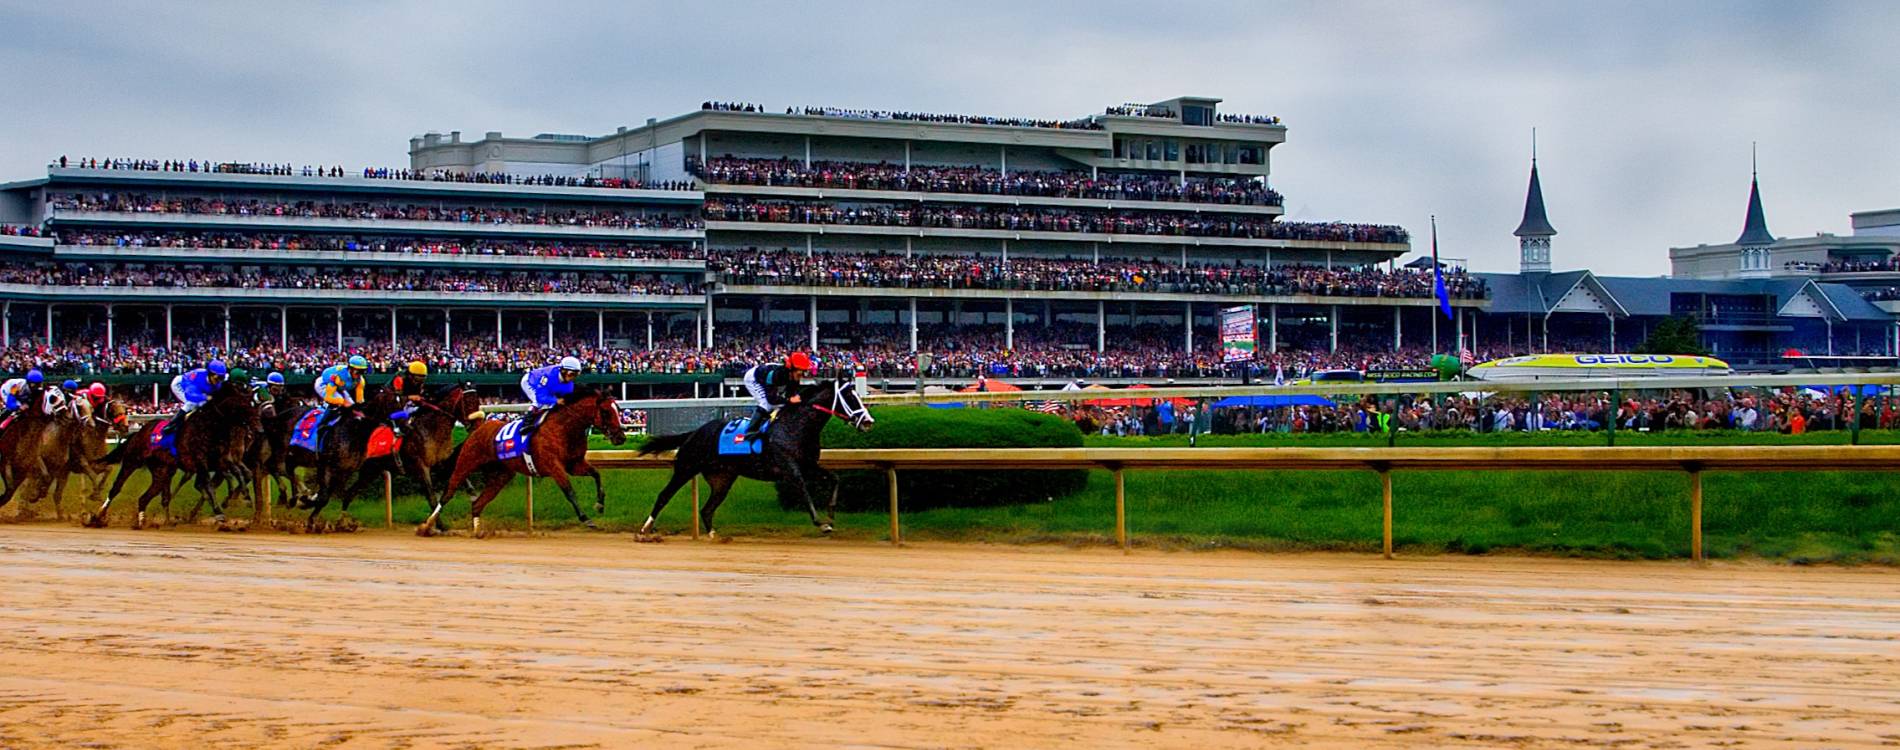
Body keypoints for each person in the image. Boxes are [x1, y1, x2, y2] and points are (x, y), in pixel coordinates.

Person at [740, 351, 815, 441]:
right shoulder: (776, 375)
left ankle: (768, 425)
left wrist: (791, 401)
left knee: (784, 404)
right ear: (792, 369)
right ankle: (750, 432)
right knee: (766, 404)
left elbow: (790, 396)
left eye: (804, 372)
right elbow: (772, 399)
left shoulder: (793, 377)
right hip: (753, 378)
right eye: (801, 372)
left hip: (765, 375)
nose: (803, 375)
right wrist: (789, 400)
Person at [314, 356, 369, 438]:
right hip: (325, 384)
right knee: (338, 403)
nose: (360, 374)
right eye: (358, 371)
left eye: (363, 371)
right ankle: (322, 424)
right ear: (350, 369)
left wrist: (361, 408)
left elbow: (359, 399)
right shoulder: (337, 376)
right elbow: (329, 398)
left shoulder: (360, 380)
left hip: (340, 386)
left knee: (352, 404)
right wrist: (343, 402)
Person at [520, 356, 582, 426]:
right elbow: (540, 397)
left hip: (549, 386)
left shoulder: (570, 385)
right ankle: (526, 423)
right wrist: (556, 400)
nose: (573, 377)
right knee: (538, 402)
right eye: (572, 374)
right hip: (530, 381)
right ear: (563, 371)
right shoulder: (548, 375)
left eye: (576, 374)